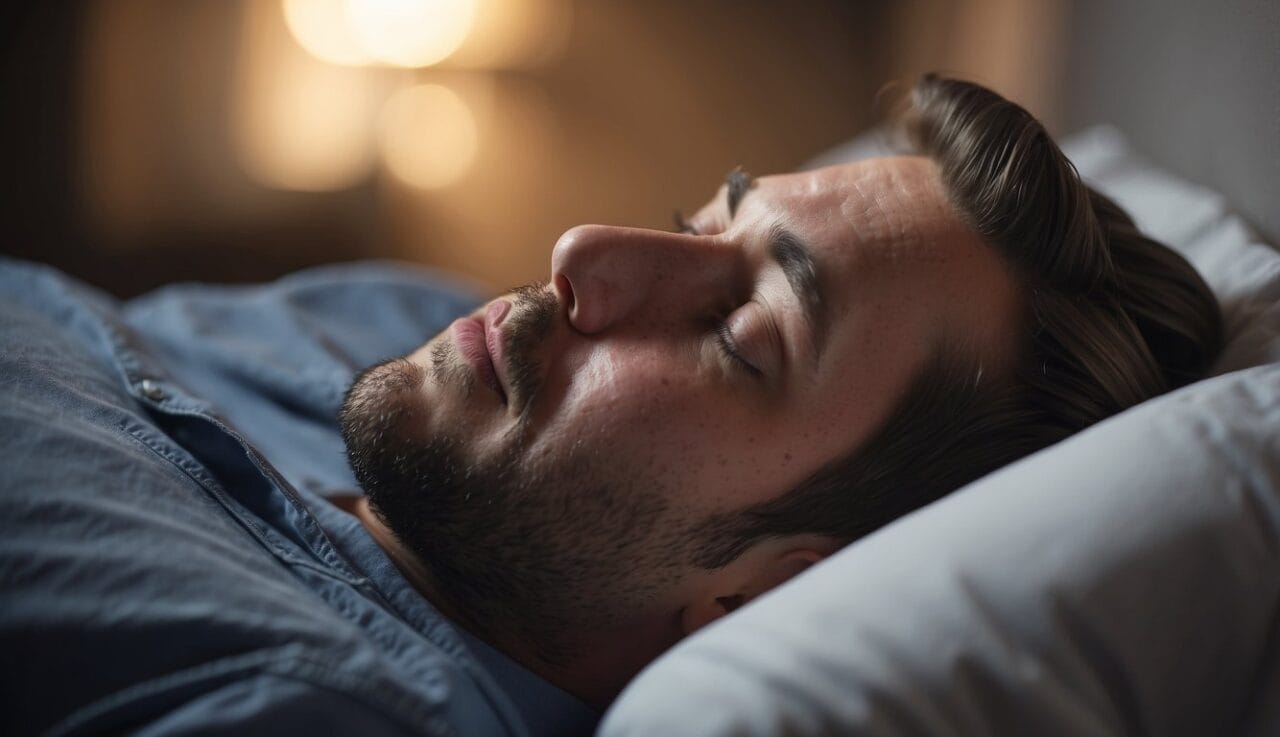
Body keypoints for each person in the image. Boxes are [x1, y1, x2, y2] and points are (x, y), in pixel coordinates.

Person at [0, 75, 1220, 736]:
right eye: (706, 222)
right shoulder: (411, 346)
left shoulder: (304, 703)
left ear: (767, 591)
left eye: (739, 335)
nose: (585, 249)